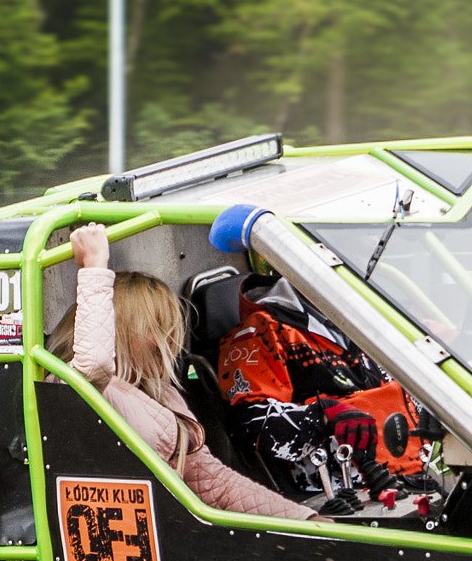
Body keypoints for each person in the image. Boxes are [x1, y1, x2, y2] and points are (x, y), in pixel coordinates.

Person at [66, 223, 317, 521]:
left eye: (171, 329)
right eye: (157, 329)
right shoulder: (74, 380)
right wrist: (95, 265)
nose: (169, 342)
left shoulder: (163, 394)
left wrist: (305, 521)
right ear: (123, 329)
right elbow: (94, 364)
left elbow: (215, 483)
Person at [216, 273, 432, 498]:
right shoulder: (261, 330)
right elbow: (251, 424)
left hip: (421, 472)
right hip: (344, 490)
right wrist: (322, 415)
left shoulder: (367, 312)